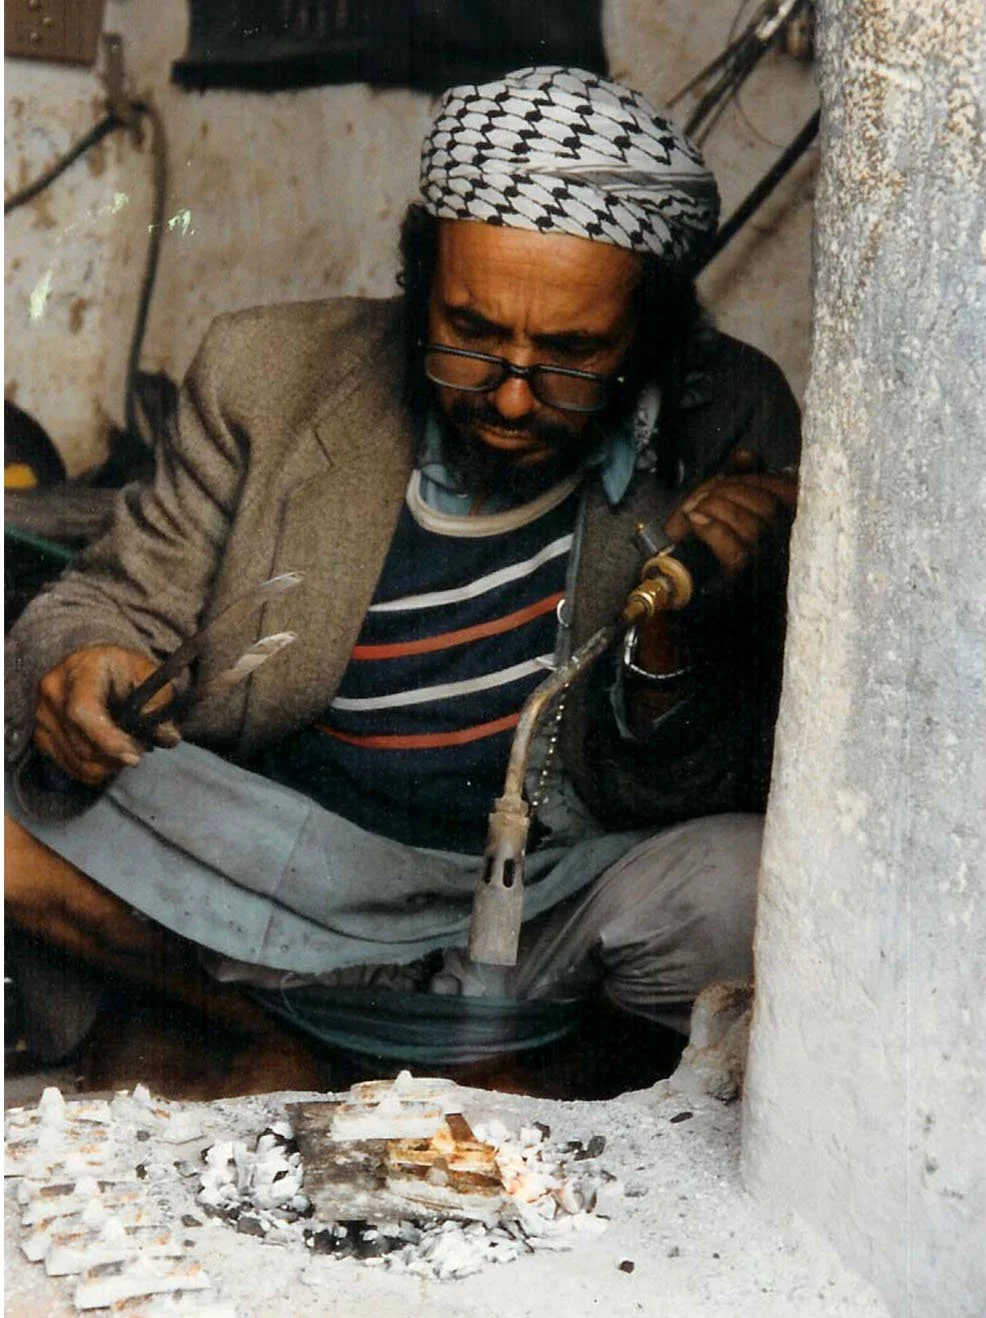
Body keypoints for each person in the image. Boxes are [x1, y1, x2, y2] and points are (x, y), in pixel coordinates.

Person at [4, 67, 800, 1097]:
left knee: (751, 892)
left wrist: (676, 640)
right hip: (276, 856)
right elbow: (107, 599)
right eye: (470, 334)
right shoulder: (267, 370)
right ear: (419, 279)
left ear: (648, 332)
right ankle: (255, 1032)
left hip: (544, 886)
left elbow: (702, 779)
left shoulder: (728, 417)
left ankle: (500, 1073)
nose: (511, 395)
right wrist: (82, 659)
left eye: (568, 354)